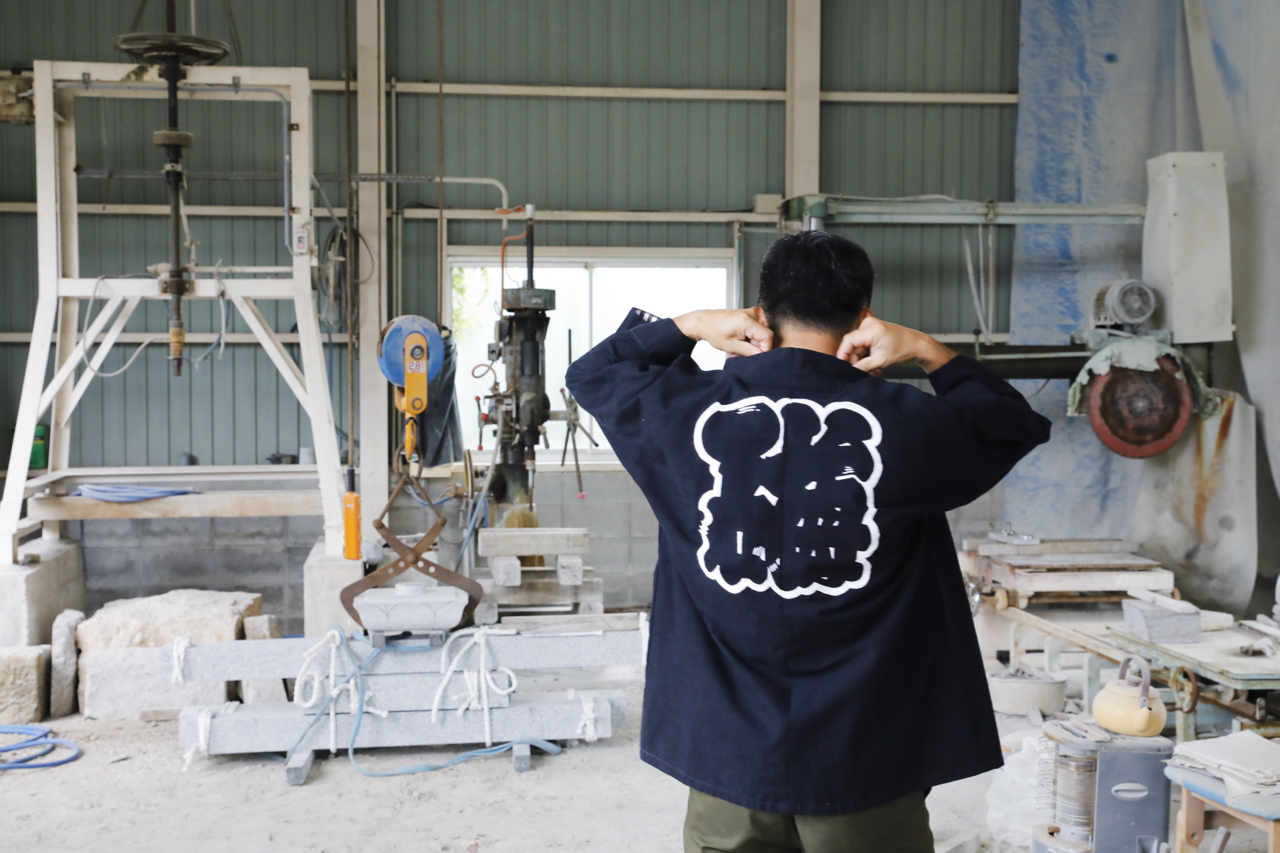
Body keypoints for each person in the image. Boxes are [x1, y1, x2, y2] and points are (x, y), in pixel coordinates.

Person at [565, 230, 1052, 853]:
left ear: (760, 314)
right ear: (864, 317)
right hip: (865, 748)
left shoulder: (683, 414)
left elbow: (594, 372)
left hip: (730, 748)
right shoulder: (907, 423)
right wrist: (926, 350)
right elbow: (1009, 422)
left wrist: (690, 326)